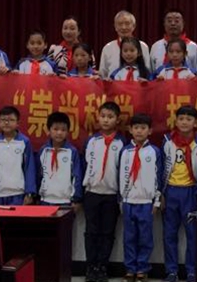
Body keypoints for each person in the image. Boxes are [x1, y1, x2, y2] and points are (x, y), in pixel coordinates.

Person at [162, 106, 197, 282]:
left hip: (191, 192)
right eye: (181, 119)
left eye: (189, 119)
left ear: (195, 123)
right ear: (176, 121)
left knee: (192, 234)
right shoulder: (168, 141)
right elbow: (161, 167)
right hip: (171, 190)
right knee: (169, 234)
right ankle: (171, 271)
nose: (184, 122)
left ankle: (192, 270)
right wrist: (160, 193)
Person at [82, 102, 126, 282]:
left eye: (110, 117)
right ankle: (90, 266)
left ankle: (102, 266)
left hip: (111, 195)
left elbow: (124, 170)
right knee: (91, 231)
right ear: (98, 118)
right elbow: (84, 166)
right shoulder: (91, 141)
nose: (106, 120)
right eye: (103, 116)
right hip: (92, 193)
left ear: (117, 120)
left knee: (107, 232)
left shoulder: (122, 143)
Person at [119, 113, 163, 282]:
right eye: (136, 128)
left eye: (143, 128)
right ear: (130, 130)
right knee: (129, 238)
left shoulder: (154, 152)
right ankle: (130, 268)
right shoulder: (125, 151)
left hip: (146, 203)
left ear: (150, 131)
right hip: (128, 201)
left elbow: (158, 177)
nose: (139, 131)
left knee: (145, 238)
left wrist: (156, 201)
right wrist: (120, 200)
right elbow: (119, 176)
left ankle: (142, 268)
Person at [0, 106, 37, 205]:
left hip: (18, 193)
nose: (6, 123)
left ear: (18, 123)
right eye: (3, 120)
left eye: (11, 120)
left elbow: (29, 168)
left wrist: (29, 193)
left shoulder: (24, 142)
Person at [37, 112, 83, 208]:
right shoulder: (43, 151)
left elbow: (77, 176)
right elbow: (38, 174)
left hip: (66, 201)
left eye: (63, 130)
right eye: (56, 129)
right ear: (49, 130)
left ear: (68, 132)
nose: (59, 133)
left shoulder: (72, 152)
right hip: (45, 200)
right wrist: (35, 196)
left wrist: (76, 198)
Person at [99, 11, 151, 80]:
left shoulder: (143, 46)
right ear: (115, 27)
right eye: (120, 24)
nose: (123, 27)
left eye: (127, 23)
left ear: (134, 26)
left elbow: (148, 72)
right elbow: (102, 75)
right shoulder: (107, 48)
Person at [150, 9, 197, 75]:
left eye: (177, 21)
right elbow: (151, 73)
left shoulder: (193, 47)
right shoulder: (155, 46)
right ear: (164, 24)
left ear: (183, 23)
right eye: (169, 21)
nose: (173, 23)